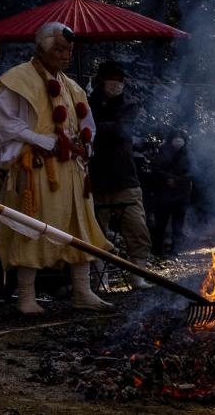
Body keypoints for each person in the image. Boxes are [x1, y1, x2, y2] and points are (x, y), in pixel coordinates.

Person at [0, 22, 115, 314]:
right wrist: (39, 139)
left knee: (80, 229)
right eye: (58, 49)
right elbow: (2, 122)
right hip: (37, 171)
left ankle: (83, 291)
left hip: (73, 173)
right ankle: (26, 297)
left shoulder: (74, 88)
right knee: (32, 229)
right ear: (40, 48)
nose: (65, 55)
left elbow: (87, 127)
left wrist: (86, 146)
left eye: (68, 50)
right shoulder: (18, 80)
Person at [88, 60, 153, 289]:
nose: (117, 84)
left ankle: (138, 274)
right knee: (94, 233)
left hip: (125, 177)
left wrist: (95, 128)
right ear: (101, 80)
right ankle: (99, 277)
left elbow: (119, 130)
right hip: (95, 179)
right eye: (112, 79)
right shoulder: (87, 103)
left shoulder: (128, 104)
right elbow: (86, 129)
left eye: (120, 80)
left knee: (137, 230)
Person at [149, 128, 193, 257]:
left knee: (178, 226)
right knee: (160, 224)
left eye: (181, 138)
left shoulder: (188, 154)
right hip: (163, 194)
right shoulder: (163, 152)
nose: (178, 140)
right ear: (171, 139)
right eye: (176, 138)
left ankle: (175, 250)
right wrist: (168, 178)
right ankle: (157, 250)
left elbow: (192, 172)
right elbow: (155, 169)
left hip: (181, 195)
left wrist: (178, 181)